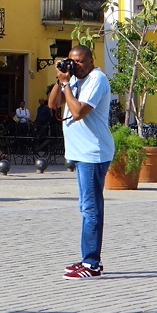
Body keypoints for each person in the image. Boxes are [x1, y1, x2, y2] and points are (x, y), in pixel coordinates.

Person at [49, 45, 114, 278]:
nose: (75, 66)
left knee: (91, 208)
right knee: (86, 207)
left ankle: (91, 264)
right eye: (72, 62)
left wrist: (67, 84)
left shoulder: (97, 79)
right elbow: (52, 105)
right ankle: (88, 258)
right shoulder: (73, 80)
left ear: (91, 60)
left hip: (93, 153)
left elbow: (77, 112)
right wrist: (61, 81)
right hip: (81, 153)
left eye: (80, 62)